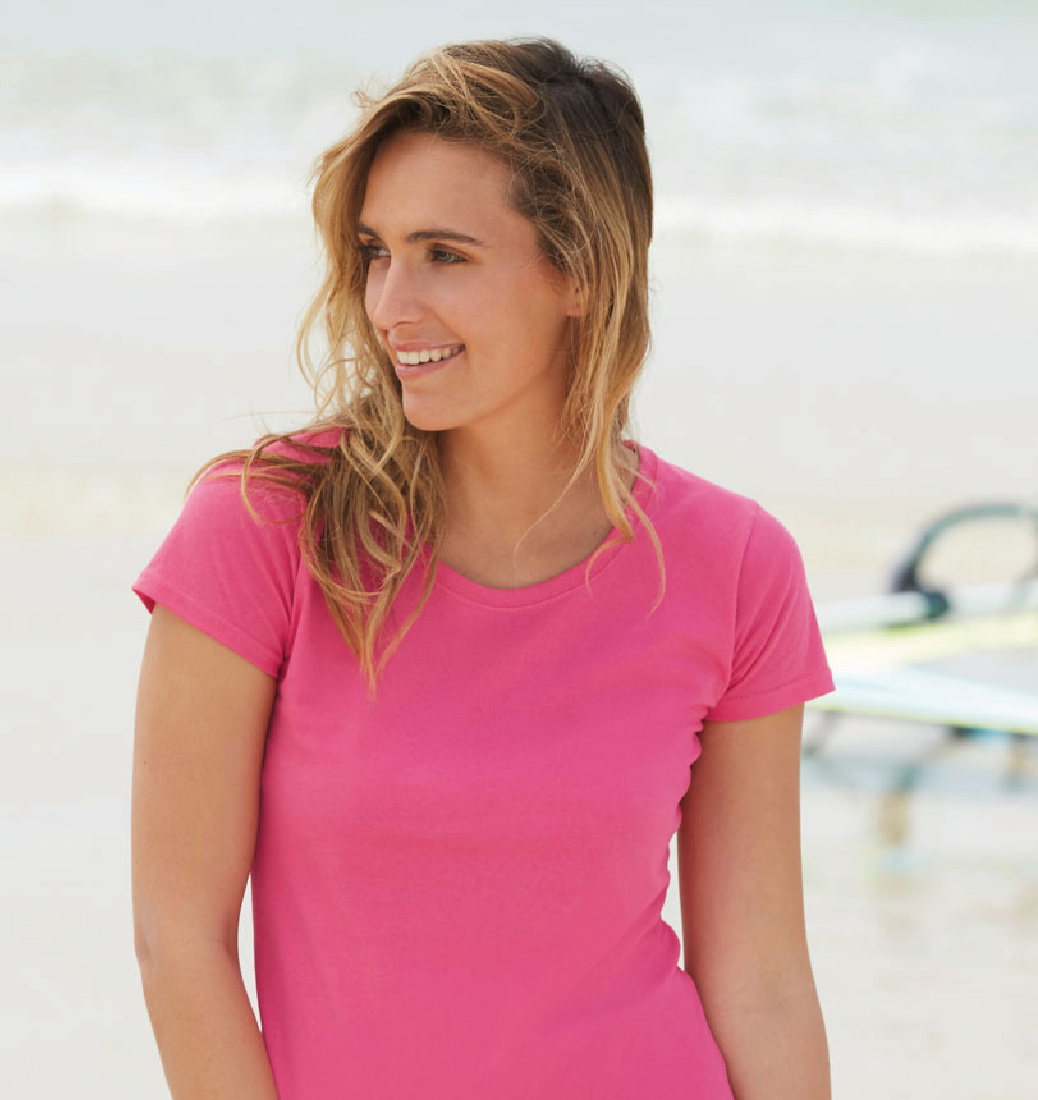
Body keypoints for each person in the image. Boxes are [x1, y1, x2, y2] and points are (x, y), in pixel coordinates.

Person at [131, 37, 834, 1100]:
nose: (388, 303)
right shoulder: (262, 527)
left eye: (445, 254)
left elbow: (762, 978)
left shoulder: (736, 565)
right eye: (375, 250)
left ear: (581, 272)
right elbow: (178, 939)